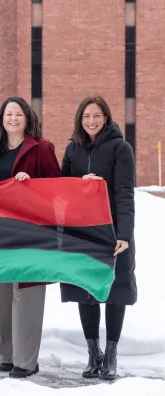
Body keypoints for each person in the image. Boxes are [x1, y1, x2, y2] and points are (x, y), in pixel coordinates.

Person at [0, 96, 60, 378]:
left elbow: (55, 188)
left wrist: (33, 184)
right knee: (0, 294)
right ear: (1, 118)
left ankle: (26, 361)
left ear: (27, 119)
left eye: (18, 114)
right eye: (8, 114)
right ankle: (5, 354)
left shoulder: (42, 148)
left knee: (26, 295)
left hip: (32, 232)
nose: (12, 118)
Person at [60, 95, 136, 380]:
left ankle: (111, 354)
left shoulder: (120, 148)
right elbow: (61, 188)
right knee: (86, 291)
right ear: (80, 120)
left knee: (115, 289)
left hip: (113, 232)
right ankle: (93, 353)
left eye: (96, 115)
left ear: (106, 117)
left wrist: (124, 234)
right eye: (86, 116)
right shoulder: (72, 150)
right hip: (83, 232)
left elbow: (124, 193)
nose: (91, 121)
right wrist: (80, 184)